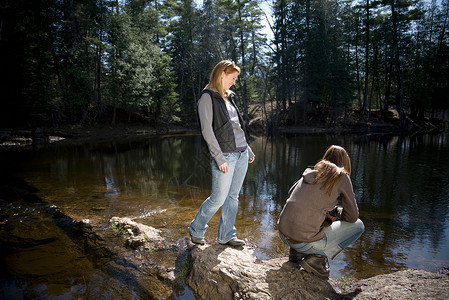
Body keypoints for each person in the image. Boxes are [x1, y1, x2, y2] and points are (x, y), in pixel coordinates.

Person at [189, 60, 255, 247]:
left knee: (233, 197)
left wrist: (247, 149)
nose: (234, 82)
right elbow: (207, 131)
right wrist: (218, 157)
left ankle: (226, 235)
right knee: (218, 198)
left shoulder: (229, 97)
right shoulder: (206, 98)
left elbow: (236, 127)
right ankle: (196, 228)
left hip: (241, 154)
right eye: (233, 78)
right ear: (222, 75)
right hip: (225, 156)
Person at [278, 145, 364, 279]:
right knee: (359, 225)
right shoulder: (342, 177)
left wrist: (330, 211)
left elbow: (291, 195)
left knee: (306, 217)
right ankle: (317, 258)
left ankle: (296, 252)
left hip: (284, 234)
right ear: (345, 163)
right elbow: (352, 217)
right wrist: (338, 213)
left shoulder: (311, 172)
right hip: (304, 242)